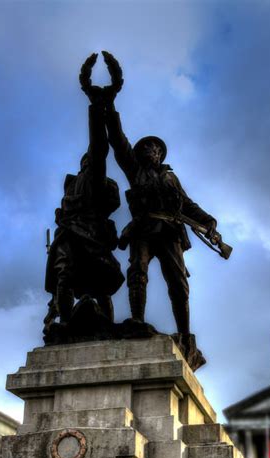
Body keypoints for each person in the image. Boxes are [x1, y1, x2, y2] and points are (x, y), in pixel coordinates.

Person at [103, 60, 217, 342]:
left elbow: (187, 204)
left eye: (153, 148)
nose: (148, 150)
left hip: (170, 231)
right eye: (144, 148)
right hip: (143, 227)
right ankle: (137, 320)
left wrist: (209, 221)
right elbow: (117, 141)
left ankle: (185, 334)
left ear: (160, 154)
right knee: (137, 272)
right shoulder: (134, 169)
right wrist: (109, 106)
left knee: (178, 283)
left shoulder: (170, 178)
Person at [44, 94, 124, 332]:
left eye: (91, 160)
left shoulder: (99, 180)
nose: (88, 162)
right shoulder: (71, 183)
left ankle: (107, 325)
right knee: (64, 276)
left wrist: (96, 110)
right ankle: (66, 324)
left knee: (100, 284)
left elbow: (99, 148)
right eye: (85, 161)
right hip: (67, 232)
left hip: (91, 232)